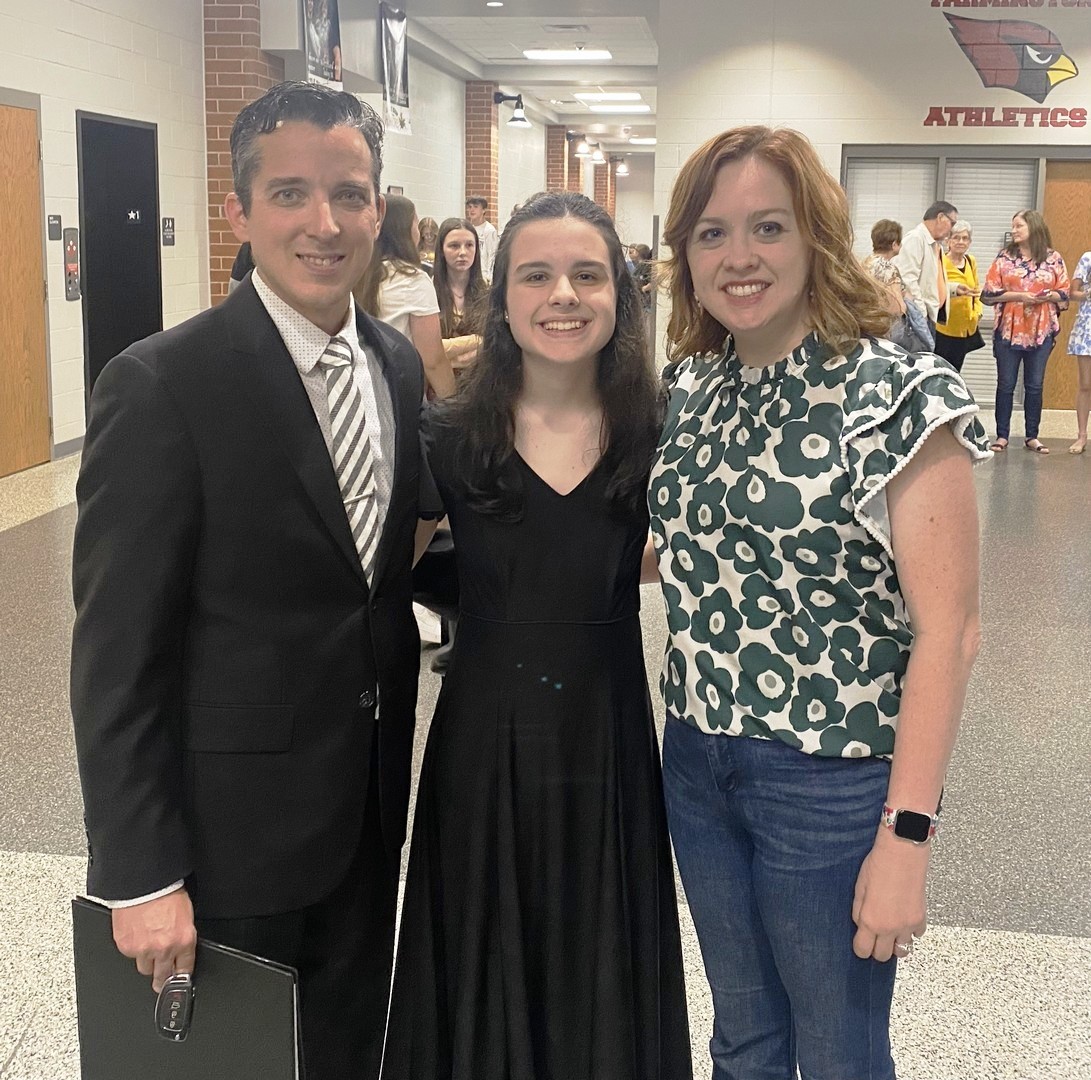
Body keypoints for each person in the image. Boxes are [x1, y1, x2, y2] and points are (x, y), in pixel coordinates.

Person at [70, 81, 437, 1080]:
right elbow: (115, 654)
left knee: (346, 1052)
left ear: (377, 207)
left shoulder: (396, 367)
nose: (325, 223)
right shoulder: (162, 385)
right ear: (239, 210)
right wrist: (140, 873)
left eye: (349, 194)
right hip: (228, 838)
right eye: (290, 194)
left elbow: (378, 568)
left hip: (366, 812)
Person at [654, 126, 991, 1080]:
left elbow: (950, 633)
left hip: (828, 781)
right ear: (685, 256)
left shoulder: (896, 395)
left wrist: (906, 837)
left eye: (769, 226)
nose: (739, 256)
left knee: (838, 1050)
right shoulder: (692, 387)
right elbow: (688, 545)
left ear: (816, 238)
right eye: (712, 233)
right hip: (697, 759)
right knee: (743, 1037)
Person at [381, 191, 692, 1079]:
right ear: (503, 298)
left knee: (601, 945)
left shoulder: (657, 431)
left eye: (587, 275)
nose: (563, 295)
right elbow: (376, 585)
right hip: (482, 745)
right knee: (480, 945)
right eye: (537, 275)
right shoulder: (448, 437)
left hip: (606, 736)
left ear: (620, 294)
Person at [982, 209, 1069, 454]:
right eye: (1013, 226)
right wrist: (1020, 296)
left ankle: (1032, 436)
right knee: (1006, 384)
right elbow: (988, 293)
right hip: (1009, 330)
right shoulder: (1005, 257)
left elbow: (1064, 293)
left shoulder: (1053, 258)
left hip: (1041, 331)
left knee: (1034, 385)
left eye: (1019, 226)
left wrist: (1046, 296)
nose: (1014, 230)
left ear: (1034, 226)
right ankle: (1002, 435)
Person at [356, 193, 456, 398]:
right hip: (397, 390)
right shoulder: (412, 280)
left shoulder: (358, 273)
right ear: (405, 229)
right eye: (416, 222)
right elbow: (433, 360)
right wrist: (454, 403)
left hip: (360, 386)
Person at [893, 199, 959, 333]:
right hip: (918, 320)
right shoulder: (915, 239)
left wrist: (954, 289)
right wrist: (921, 314)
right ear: (940, 217)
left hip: (927, 318)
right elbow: (907, 280)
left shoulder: (935, 245)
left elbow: (930, 282)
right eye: (952, 223)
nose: (951, 229)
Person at [432, 215, 487, 371]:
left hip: (480, 378)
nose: (463, 252)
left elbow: (495, 344)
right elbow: (427, 349)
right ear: (442, 250)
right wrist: (478, 341)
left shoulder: (488, 292)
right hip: (438, 379)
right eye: (454, 246)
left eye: (469, 245)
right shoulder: (428, 292)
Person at [934, 220, 984, 373]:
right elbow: (934, 289)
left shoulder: (971, 261)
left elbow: (976, 288)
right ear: (948, 241)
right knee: (940, 371)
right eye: (956, 237)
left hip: (965, 328)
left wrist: (978, 312)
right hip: (944, 327)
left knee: (955, 372)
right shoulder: (940, 261)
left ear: (969, 242)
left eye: (965, 238)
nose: (960, 242)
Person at [1066, 247, 1091, 454]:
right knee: (1085, 384)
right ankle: (1082, 435)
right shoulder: (1087, 258)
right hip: (1087, 327)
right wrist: (1087, 293)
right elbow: (1072, 293)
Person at [465, 193, 498, 279]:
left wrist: (489, 277)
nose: (472, 210)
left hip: (483, 274)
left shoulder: (489, 230)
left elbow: (492, 255)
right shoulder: (467, 228)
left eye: (475, 207)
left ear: (483, 210)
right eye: (470, 207)